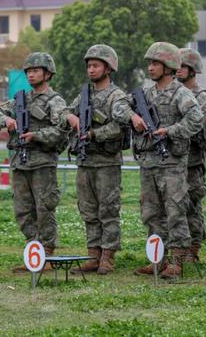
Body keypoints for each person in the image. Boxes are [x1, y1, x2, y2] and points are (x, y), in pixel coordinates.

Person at [114, 42, 204, 279]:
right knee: (151, 213)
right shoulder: (144, 94)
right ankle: (158, 258)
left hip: (172, 163)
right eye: (150, 64)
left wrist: (171, 131)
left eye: (155, 64)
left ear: (168, 66)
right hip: (148, 163)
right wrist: (133, 116)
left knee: (175, 210)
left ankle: (177, 261)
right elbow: (118, 107)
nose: (150, 68)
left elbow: (196, 119)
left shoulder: (181, 93)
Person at [0, 53, 67, 272]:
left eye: (35, 71)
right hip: (20, 163)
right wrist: (7, 120)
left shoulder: (55, 101)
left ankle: (47, 255)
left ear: (48, 73)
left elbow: (61, 132)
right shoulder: (20, 99)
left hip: (42, 163)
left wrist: (36, 135)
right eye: (28, 71)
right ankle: (34, 253)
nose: (31, 74)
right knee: (23, 210)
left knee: (45, 208)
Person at [62, 44, 130, 274]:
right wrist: (71, 117)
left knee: (108, 210)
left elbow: (120, 127)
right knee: (88, 210)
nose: (91, 70)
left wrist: (94, 133)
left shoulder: (117, 96)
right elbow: (64, 113)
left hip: (107, 162)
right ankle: (93, 255)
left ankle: (108, 257)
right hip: (86, 162)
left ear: (108, 68)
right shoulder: (85, 95)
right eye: (89, 66)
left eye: (96, 65)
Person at [176, 48, 206, 262]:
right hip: (173, 161)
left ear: (193, 69)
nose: (178, 70)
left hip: (193, 160)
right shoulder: (173, 93)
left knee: (192, 205)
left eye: (183, 66)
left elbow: (200, 125)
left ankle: (194, 248)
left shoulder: (202, 97)